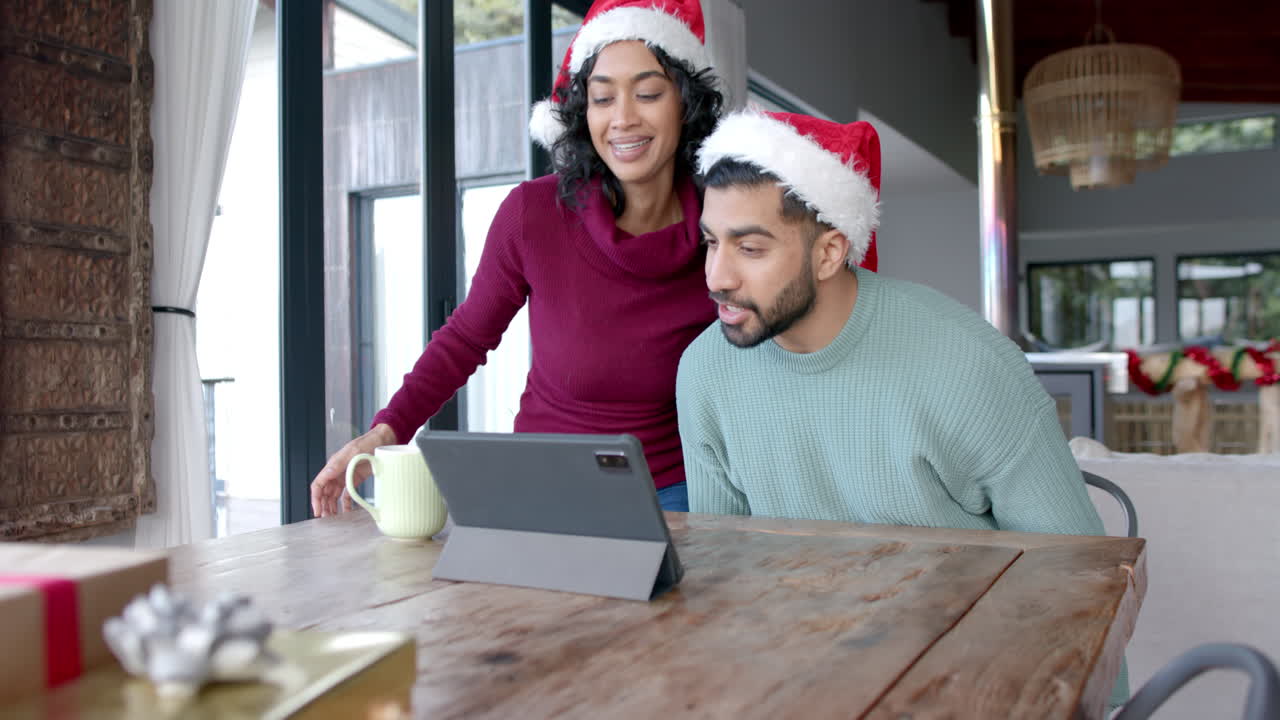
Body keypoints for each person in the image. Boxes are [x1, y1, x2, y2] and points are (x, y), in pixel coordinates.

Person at [675, 110, 1127, 705]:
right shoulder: (705, 371)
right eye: (711, 241)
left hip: (969, 674)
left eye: (750, 248)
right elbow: (723, 573)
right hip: (798, 675)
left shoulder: (967, 363)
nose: (716, 276)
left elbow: (1077, 579)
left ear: (830, 253)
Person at [310, 0, 728, 516]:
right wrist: (384, 431)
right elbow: (465, 338)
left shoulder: (726, 229)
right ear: (582, 113)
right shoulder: (534, 215)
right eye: (601, 98)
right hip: (538, 484)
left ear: (685, 104)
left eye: (647, 93)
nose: (622, 118)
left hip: (669, 495)